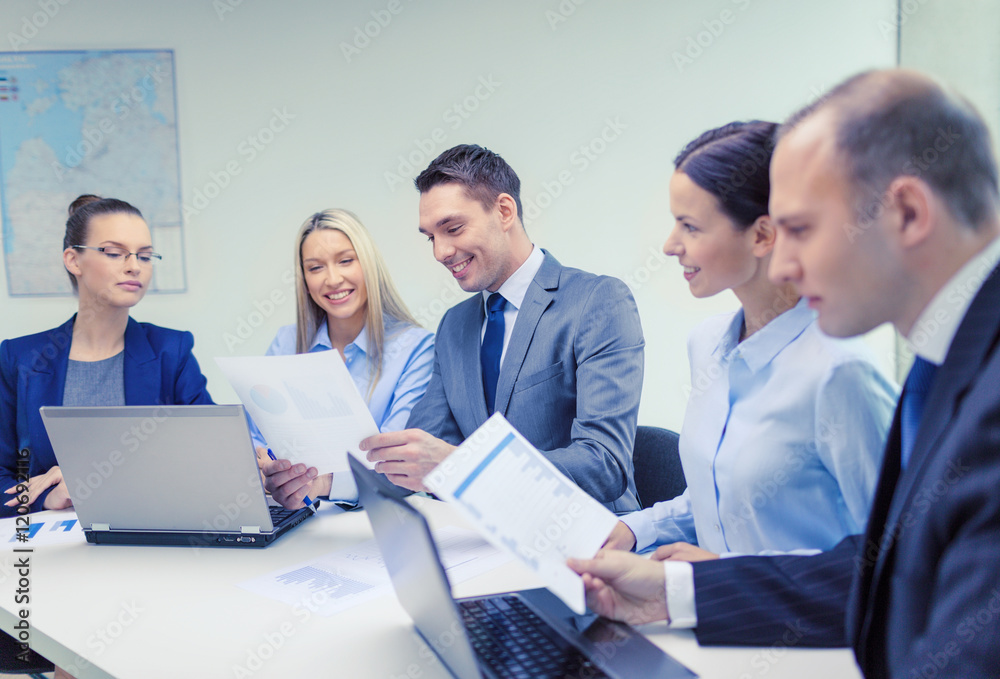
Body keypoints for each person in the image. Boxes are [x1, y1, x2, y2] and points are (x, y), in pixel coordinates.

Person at [569, 69, 1000, 678]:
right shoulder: (953, 361)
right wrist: (678, 590)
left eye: (799, 230)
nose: (786, 264)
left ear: (906, 212)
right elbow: (887, 568)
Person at [605, 121, 897, 558]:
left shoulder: (840, 372)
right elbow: (721, 497)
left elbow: (892, 554)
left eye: (690, 227)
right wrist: (633, 529)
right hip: (705, 616)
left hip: (794, 625)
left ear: (762, 235)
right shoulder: (707, 343)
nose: (670, 245)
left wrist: (718, 576)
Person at [361, 144, 645, 512]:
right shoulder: (455, 325)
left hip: (590, 540)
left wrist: (461, 466)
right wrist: (324, 480)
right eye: (432, 237)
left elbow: (604, 465)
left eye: (453, 228)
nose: (440, 252)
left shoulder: (598, 301)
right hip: (486, 540)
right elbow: (421, 453)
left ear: (505, 211)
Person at [0, 195, 213, 518]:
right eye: (114, 253)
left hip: (148, 534)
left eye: (144, 256)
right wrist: (45, 499)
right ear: (73, 260)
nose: (134, 266)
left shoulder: (172, 351)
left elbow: (211, 465)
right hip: (54, 550)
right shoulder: (20, 358)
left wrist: (93, 479)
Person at [259, 209, 434, 509]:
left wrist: (323, 483)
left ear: (368, 264)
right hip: (294, 519)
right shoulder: (285, 343)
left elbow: (396, 464)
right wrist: (265, 469)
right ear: (304, 278)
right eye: (315, 268)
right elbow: (256, 440)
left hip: (372, 523)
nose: (332, 279)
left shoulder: (416, 348)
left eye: (345, 261)